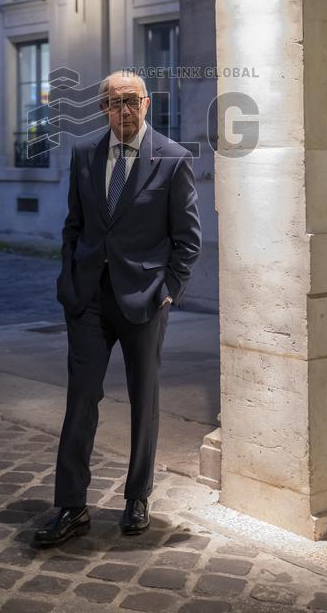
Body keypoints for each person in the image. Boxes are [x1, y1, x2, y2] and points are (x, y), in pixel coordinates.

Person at [34, 70, 202, 546]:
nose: (122, 111)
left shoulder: (172, 159)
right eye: (112, 102)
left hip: (145, 299)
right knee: (80, 400)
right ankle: (70, 506)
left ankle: (137, 497)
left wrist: (168, 290)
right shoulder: (86, 153)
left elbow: (187, 241)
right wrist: (68, 279)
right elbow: (75, 225)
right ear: (102, 107)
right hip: (87, 297)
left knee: (144, 400)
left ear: (146, 104)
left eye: (130, 101)